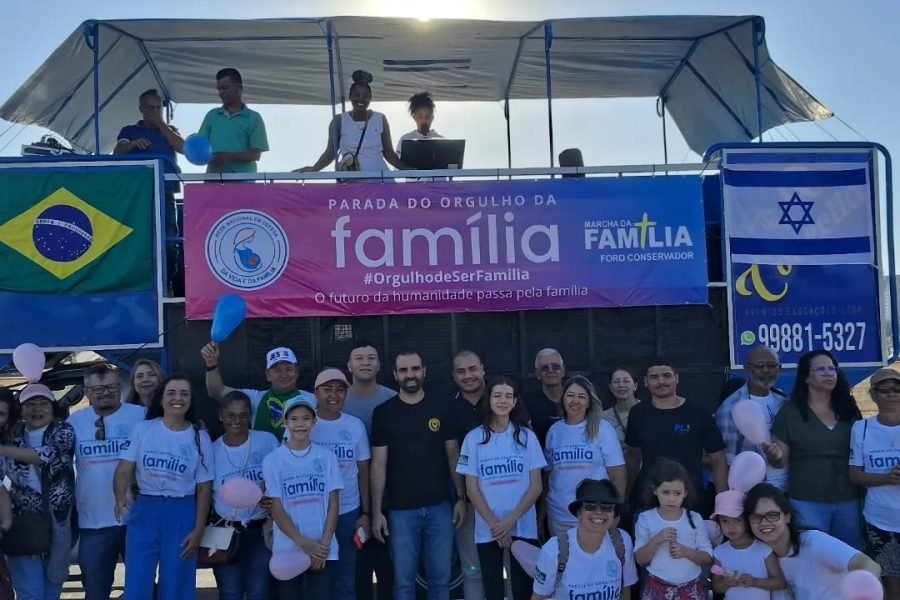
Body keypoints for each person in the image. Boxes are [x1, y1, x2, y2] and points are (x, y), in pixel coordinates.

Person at [370, 350, 467, 600]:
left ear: (424, 371)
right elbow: (378, 465)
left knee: (440, 582)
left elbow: (453, 456)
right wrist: (377, 511)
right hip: (401, 512)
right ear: (394, 375)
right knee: (403, 583)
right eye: (403, 370)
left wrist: (461, 498)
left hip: (440, 508)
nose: (410, 375)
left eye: (414, 368)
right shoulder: (384, 413)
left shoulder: (443, 406)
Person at [114, 375, 214, 600]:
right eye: (171, 393)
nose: (177, 398)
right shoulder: (143, 429)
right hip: (146, 508)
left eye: (184, 393)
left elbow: (204, 489)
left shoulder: (200, 437)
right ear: (161, 399)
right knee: (138, 582)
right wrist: (120, 497)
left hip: (182, 511)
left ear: (190, 400)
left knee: (177, 582)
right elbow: (123, 470)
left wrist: (199, 529)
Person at [457, 377, 545, 600]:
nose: (503, 401)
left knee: (523, 589)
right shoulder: (473, 438)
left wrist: (509, 522)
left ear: (515, 401)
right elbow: (472, 488)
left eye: (508, 396)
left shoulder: (527, 437)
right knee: (493, 589)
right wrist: (496, 526)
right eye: (497, 395)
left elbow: (536, 486)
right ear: (489, 400)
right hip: (488, 529)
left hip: (522, 526)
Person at [768, 350, 863, 549]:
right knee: (813, 556)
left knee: (849, 556)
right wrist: (775, 456)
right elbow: (781, 461)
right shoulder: (790, 412)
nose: (828, 373)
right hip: (806, 501)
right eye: (821, 369)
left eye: (832, 368)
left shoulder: (849, 408)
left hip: (847, 500)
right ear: (806, 377)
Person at [67, 364, 146, 600]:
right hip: (93, 522)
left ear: (120, 387)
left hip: (136, 519)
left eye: (112, 386)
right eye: (98, 388)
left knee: (141, 588)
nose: (106, 392)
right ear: (87, 392)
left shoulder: (140, 415)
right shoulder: (74, 422)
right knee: (95, 591)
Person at [263, 394, 342, 600]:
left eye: (306, 418)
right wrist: (303, 543)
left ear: (314, 422)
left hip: (323, 550)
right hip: (288, 550)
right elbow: (276, 508)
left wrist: (322, 547)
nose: (300, 424)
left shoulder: (327, 457)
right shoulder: (273, 461)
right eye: (294, 419)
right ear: (286, 422)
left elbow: (333, 504)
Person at [743, 483, 880, 600]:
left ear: (787, 516)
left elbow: (869, 565)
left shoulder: (812, 541)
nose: (764, 522)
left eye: (772, 515)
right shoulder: (757, 555)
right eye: (756, 517)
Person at [0, 384, 74, 600]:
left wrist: (3, 449)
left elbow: (46, 456)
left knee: (52, 589)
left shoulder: (63, 431)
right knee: (30, 592)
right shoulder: (11, 435)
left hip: (58, 523)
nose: (37, 409)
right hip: (25, 523)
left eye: (43, 403)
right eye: (30, 404)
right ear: (20, 410)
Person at [625, 361, 728, 515]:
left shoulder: (698, 413)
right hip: (648, 499)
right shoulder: (637, 413)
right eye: (654, 377)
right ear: (646, 382)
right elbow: (633, 457)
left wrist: (724, 505)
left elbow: (718, 459)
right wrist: (625, 495)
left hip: (691, 500)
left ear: (677, 378)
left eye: (666, 376)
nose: (661, 382)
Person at [114, 88, 185, 294]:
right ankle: (141, 287)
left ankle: (168, 286)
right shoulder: (129, 130)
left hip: (165, 191)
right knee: (139, 241)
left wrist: (161, 125)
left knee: (170, 240)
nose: (154, 112)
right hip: (137, 194)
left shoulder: (170, 129)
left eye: (157, 108)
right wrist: (134, 144)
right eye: (150, 108)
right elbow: (118, 150)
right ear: (141, 109)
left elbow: (183, 148)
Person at [211, 390, 280, 600]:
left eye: (243, 415)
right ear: (221, 416)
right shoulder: (212, 450)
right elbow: (204, 492)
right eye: (231, 415)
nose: (237, 421)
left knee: (259, 592)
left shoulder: (266, 441)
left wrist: (272, 496)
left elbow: (281, 474)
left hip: (260, 530)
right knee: (230, 592)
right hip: (225, 531)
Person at [309, 368, 371, 600]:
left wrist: (365, 513)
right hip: (314, 513)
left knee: (346, 579)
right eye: (327, 389)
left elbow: (363, 472)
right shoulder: (306, 423)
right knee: (317, 578)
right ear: (316, 393)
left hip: (348, 511)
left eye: (340, 390)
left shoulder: (355, 426)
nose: (334, 395)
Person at [341, 341, 395, 600]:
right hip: (351, 499)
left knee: (388, 568)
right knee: (356, 569)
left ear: (379, 365)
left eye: (371, 358)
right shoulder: (337, 401)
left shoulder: (392, 399)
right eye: (359, 358)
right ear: (349, 366)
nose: (365, 362)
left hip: (388, 495)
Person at [543, 376, 626, 537]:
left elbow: (618, 474)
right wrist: (541, 514)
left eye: (581, 397)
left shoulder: (602, 429)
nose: (575, 401)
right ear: (563, 398)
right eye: (570, 395)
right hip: (559, 516)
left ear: (589, 402)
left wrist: (615, 511)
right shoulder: (554, 431)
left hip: (595, 514)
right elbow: (548, 476)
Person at [531, 479, 638, 600]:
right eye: (590, 506)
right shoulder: (554, 549)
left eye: (607, 507)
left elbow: (625, 589)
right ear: (579, 513)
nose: (598, 512)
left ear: (614, 513)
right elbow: (538, 597)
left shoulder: (622, 541)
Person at [849, 367, 900, 597]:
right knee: (890, 585)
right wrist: (887, 478)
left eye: (897, 389)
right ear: (873, 395)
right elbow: (855, 475)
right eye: (884, 390)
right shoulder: (862, 428)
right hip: (880, 522)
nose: (892, 394)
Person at [634, 458, 713, 599]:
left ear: (685, 493)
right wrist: (657, 540)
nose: (671, 499)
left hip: (692, 587)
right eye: (666, 492)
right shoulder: (646, 518)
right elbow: (640, 559)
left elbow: (708, 558)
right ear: (654, 490)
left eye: (677, 493)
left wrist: (686, 552)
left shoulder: (694, 519)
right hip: (657, 586)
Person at [298, 70, 405, 174]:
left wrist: (406, 168)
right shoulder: (339, 121)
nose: (360, 99)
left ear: (370, 98)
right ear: (350, 96)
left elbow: (389, 153)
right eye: (356, 95)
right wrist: (314, 168)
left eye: (365, 96)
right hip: (351, 181)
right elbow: (330, 153)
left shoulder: (380, 119)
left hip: (380, 179)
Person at [201, 343, 315, 439]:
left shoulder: (312, 399)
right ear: (267, 375)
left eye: (289, 369)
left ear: (297, 372)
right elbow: (217, 391)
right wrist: (211, 364)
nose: (284, 375)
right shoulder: (255, 398)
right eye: (277, 370)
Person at [715, 346, 789, 490]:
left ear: (779, 368)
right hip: (752, 492)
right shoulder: (730, 408)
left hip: (785, 489)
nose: (766, 370)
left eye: (771, 365)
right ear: (747, 368)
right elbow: (726, 461)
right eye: (759, 366)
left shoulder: (785, 402)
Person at [448, 350, 487, 600]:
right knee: (472, 570)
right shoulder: (449, 408)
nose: (468, 375)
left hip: (508, 503)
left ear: (483, 369)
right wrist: (461, 497)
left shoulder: (502, 399)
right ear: (453, 376)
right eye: (461, 371)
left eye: (472, 369)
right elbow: (452, 459)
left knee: (511, 567)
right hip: (469, 505)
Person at [710, 489, 786, 598]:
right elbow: (716, 587)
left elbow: (780, 583)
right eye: (724, 521)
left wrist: (755, 581)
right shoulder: (719, 552)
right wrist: (727, 583)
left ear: (747, 520)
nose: (730, 526)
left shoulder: (764, 549)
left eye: (737, 520)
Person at [197, 67, 269, 173]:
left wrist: (228, 156)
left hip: (243, 183)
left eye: (225, 88)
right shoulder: (212, 115)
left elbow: (255, 154)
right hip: (214, 182)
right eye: (219, 89)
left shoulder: (254, 118)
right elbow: (200, 145)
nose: (221, 92)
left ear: (239, 88)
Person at [524, 348, 566, 447]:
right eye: (545, 368)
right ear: (537, 374)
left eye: (556, 367)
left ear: (563, 372)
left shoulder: (575, 398)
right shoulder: (528, 403)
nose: (551, 371)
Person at [602, 366, 640, 448]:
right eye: (616, 381)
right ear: (610, 387)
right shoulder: (603, 418)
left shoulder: (648, 411)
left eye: (626, 381)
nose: (621, 385)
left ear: (635, 386)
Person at [396, 92, 444, 156]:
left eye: (427, 117)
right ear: (414, 118)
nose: (424, 120)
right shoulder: (405, 139)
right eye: (420, 116)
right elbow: (398, 163)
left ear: (432, 118)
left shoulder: (442, 141)